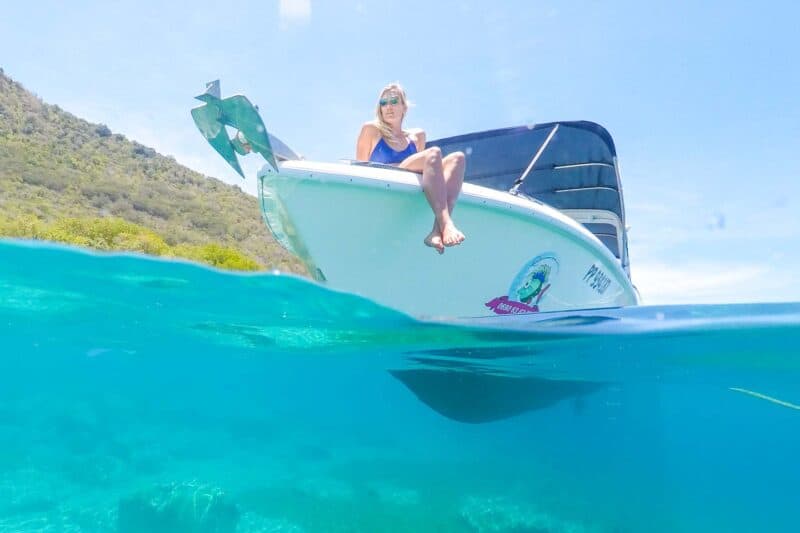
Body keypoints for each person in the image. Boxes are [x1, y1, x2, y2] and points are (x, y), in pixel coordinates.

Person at [355, 83, 465, 254]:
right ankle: (447, 224)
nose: (388, 107)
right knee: (434, 152)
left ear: (404, 107)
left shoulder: (417, 136)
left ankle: (436, 231)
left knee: (458, 158)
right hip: (387, 180)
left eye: (394, 101)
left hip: (407, 181)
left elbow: (424, 171)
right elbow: (360, 168)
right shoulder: (371, 129)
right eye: (383, 103)